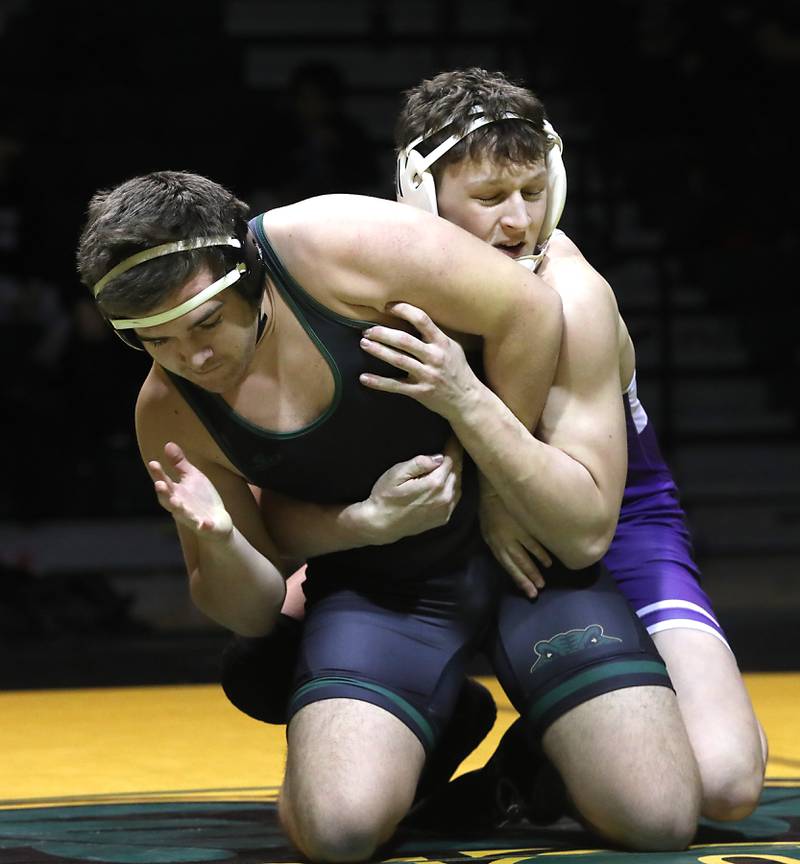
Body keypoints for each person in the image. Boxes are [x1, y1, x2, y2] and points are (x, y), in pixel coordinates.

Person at [217, 74, 718, 852]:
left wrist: (468, 407)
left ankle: (531, 766)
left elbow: (584, 534)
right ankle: (418, 732)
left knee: (667, 815)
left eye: (532, 190)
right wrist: (352, 529)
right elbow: (272, 512)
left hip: (539, 564)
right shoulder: (355, 282)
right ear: (419, 188)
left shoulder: (573, 297)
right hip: (403, 577)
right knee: (314, 773)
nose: (518, 222)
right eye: (490, 197)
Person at [76, 171, 567, 862]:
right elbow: (252, 613)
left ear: (249, 276)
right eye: (156, 342)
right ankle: (471, 743)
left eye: (206, 322)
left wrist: (498, 491)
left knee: (654, 815)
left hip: (523, 552)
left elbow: (534, 311)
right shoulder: (168, 411)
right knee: (332, 826)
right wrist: (220, 542)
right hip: (391, 590)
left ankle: (555, 746)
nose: (194, 358)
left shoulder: (335, 243)